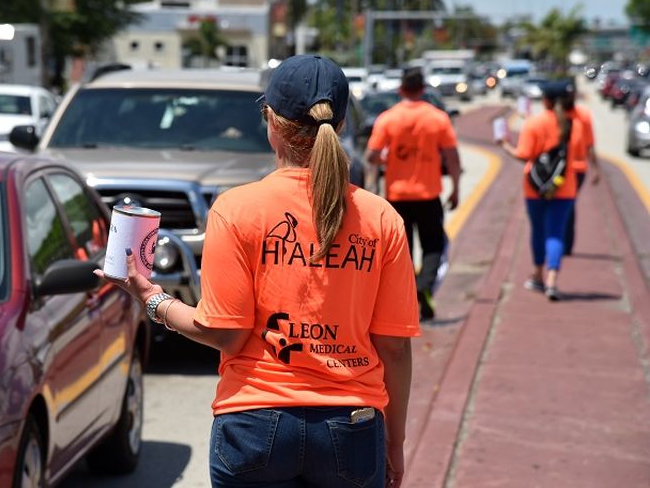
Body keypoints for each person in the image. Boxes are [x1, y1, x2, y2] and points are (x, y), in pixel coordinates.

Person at [98, 54, 420, 488]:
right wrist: (394, 441)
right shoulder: (381, 219)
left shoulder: (236, 209)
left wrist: (152, 299)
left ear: (271, 122)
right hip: (352, 426)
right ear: (342, 124)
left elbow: (225, 332)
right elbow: (394, 349)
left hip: (254, 422)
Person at [364, 67, 462, 321]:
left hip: (397, 197)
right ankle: (424, 285)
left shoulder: (388, 119)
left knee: (401, 252)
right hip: (428, 195)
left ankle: (404, 299)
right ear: (423, 89)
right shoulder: (438, 118)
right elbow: (452, 156)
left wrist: (384, 163)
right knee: (433, 245)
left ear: (401, 89)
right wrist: (455, 189)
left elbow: (371, 156)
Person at [498, 78, 588, 300]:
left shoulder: (534, 123)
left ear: (545, 100)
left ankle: (538, 274)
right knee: (556, 233)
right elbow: (579, 155)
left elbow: (523, 155)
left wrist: (504, 145)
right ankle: (552, 280)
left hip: (535, 188)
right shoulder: (575, 125)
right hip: (565, 188)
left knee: (538, 230)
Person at [562, 89, 601, 255]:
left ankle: (566, 244)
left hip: (577, 169)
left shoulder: (583, 115)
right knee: (561, 205)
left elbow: (590, 144)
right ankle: (558, 241)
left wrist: (596, 168)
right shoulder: (556, 115)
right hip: (559, 169)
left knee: (568, 204)